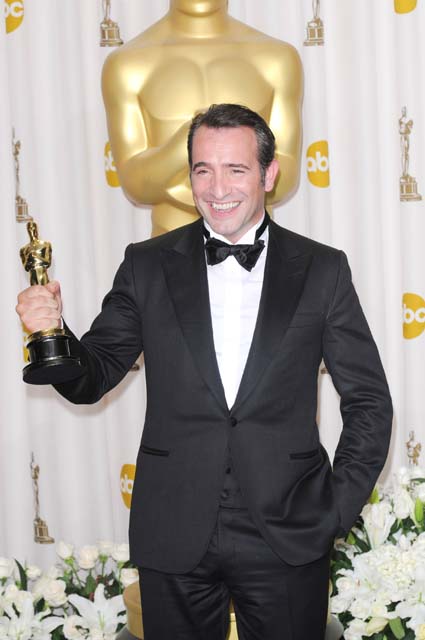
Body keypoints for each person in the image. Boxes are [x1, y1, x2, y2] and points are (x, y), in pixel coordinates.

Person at [16, 104, 392, 640]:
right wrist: (53, 332)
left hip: (289, 530)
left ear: (268, 174)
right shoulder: (146, 264)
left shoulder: (322, 269)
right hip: (174, 527)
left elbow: (369, 402)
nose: (217, 189)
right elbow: (91, 377)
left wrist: (333, 511)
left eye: (236, 170)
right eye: (203, 170)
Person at [102, 0, 302, 235]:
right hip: (169, 242)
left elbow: (285, 176)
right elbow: (135, 184)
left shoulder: (278, 59)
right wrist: (195, 138)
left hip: (258, 243)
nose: (219, 190)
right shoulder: (127, 65)